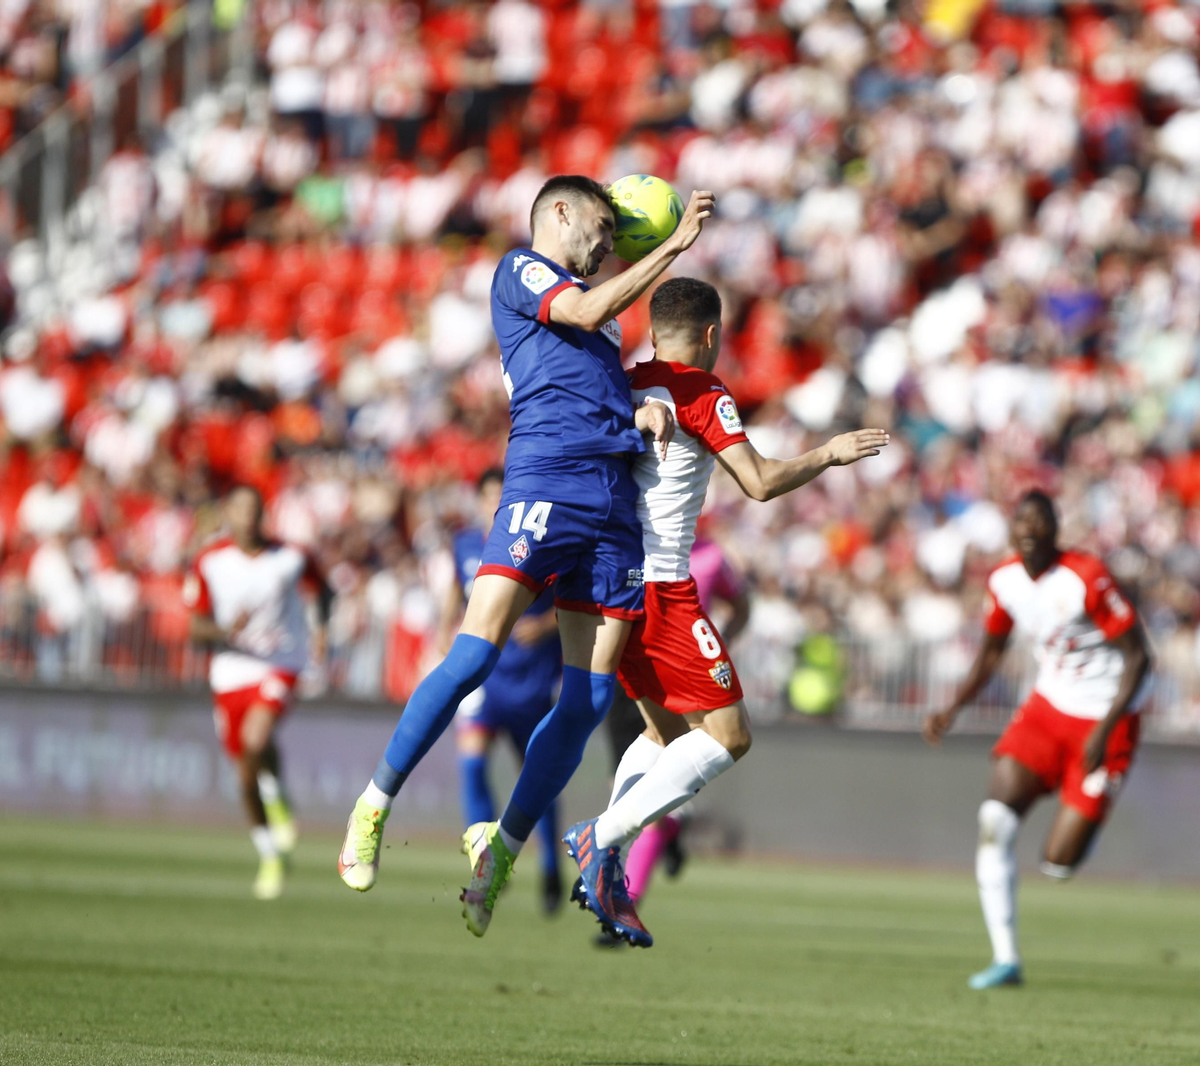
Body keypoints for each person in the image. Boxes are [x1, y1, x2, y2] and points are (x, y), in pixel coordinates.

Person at [337, 175, 714, 941]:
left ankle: (500, 854)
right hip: (545, 484)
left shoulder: (600, 315)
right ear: (562, 213)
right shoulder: (522, 270)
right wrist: (671, 250)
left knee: (586, 700)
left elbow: (593, 368)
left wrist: (636, 409)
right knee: (474, 655)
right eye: (604, 228)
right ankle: (374, 804)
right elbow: (583, 309)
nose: (610, 245)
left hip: (610, 506)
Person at [562, 277, 888, 946]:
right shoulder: (702, 394)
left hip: (609, 584)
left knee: (661, 737)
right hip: (663, 587)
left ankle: (608, 861)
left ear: (653, 333)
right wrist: (828, 452)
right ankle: (603, 839)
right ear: (712, 336)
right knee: (728, 737)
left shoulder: (621, 382)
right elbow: (761, 483)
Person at [922, 490, 1152, 990]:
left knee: (1058, 864)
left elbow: (1140, 658)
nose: (1028, 529)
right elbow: (990, 654)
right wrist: (952, 707)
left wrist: (1107, 728)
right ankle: (1006, 960)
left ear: (1054, 528)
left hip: (1107, 715)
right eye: (1020, 520)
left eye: (1038, 521)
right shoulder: (1004, 581)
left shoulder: (1086, 576)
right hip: (1048, 710)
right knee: (993, 822)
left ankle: (1091, 798)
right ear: (1011, 530)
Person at [591, 535, 750, 948]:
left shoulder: (712, 555)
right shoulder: (629, 537)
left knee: (695, 752)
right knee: (631, 781)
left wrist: (716, 650)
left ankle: (624, 893)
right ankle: (659, 836)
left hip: (684, 671)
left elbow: (742, 604)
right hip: (633, 665)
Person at [185, 484, 328, 899]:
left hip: (279, 663)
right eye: (239, 508)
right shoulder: (210, 560)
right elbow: (195, 627)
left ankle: (276, 794)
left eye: (254, 509)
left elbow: (323, 589)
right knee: (244, 772)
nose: (247, 516)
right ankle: (269, 850)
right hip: (230, 671)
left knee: (256, 738)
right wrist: (225, 630)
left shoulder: (291, 557)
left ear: (264, 514)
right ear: (227, 512)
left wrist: (318, 629)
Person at [442, 466, 564, 914]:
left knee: (536, 780)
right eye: (487, 496)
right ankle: (486, 862)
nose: (495, 504)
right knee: (471, 763)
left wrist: (546, 625)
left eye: (502, 495)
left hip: (531, 679)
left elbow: (574, 600)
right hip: (484, 677)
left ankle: (551, 865)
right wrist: (444, 640)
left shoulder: (543, 540)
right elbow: (455, 599)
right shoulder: (464, 545)